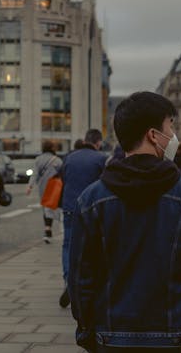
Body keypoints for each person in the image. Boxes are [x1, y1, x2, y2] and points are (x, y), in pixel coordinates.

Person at [68, 91, 181, 352]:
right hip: (178, 335)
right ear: (154, 135)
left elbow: (80, 280)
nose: (173, 136)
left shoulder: (91, 199)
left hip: (113, 335)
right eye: (170, 127)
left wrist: (88, 330)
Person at [59, 128, 107, 308]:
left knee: (67, 244)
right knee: (93, 245)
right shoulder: (101, 159)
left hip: (70, 206)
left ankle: (68, 279)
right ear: (98, 142)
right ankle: (87, 281)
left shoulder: (69, 157)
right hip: (91, 208)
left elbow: (63, 178)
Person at [26, 141, 63, 243]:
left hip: (42, 186)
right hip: (54, 186)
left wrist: (30, 186)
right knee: (52, 206)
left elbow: (34, 174)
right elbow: (63, 173)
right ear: (52, 148)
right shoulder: (58, 160)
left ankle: (47, 228)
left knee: (45, 207)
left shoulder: (38, 159)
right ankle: (50, 227)